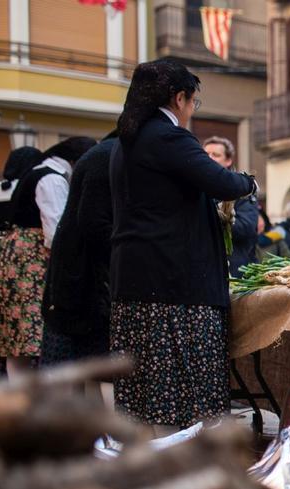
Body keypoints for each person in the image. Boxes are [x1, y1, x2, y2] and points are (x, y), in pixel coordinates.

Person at [109, 59, 257, 433]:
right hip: (173, 283)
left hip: (136, 279)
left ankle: (152, 461)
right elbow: (222, 182)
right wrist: (249, 184)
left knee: (146, 392)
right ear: (179, 98)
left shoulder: (124, 140)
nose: (192, 111)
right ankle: (181, 465)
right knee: (181, 392)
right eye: (193, 102)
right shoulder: (167, 137)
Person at [0, 136, 95, 376]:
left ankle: (17, 396)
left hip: (18, 256)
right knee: (32, 331)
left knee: (18, 336)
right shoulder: (52, 178)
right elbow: (55, 231)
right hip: (32, 259)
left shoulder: (39, 171)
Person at [41, 132, 118, 366]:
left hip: (70, 274)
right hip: (78, 277)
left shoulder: (96, 160)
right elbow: (56, 226)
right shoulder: (54, 178)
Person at [0, 147, 46, 376]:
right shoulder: (36, 185)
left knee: (10, 330)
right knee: (31, 328)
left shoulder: (2, 190)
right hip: (28, 262)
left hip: (5, 260)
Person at [202, 136, 259, 277]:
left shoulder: (240, 190)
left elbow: (246, 228)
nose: (209, 158)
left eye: (215, 155)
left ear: (228, 161)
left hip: (235, 270)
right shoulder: (198, 189)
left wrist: (219, 218)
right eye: (205, 154)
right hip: (205, 268)